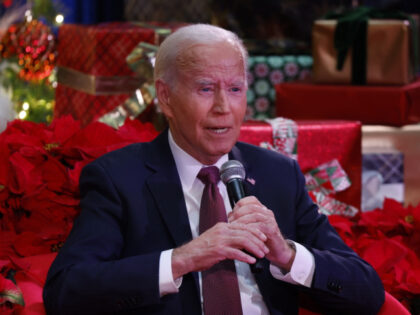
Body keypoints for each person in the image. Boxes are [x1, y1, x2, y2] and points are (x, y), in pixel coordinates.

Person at [43, 24, 384, 315]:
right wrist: (182, 259)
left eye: (235, 90)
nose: (223, 108)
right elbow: (67, 291)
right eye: (205, 89)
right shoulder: (118, 178)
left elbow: (367, 291)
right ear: (165, 97)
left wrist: (287, 255)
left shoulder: (279, 174)